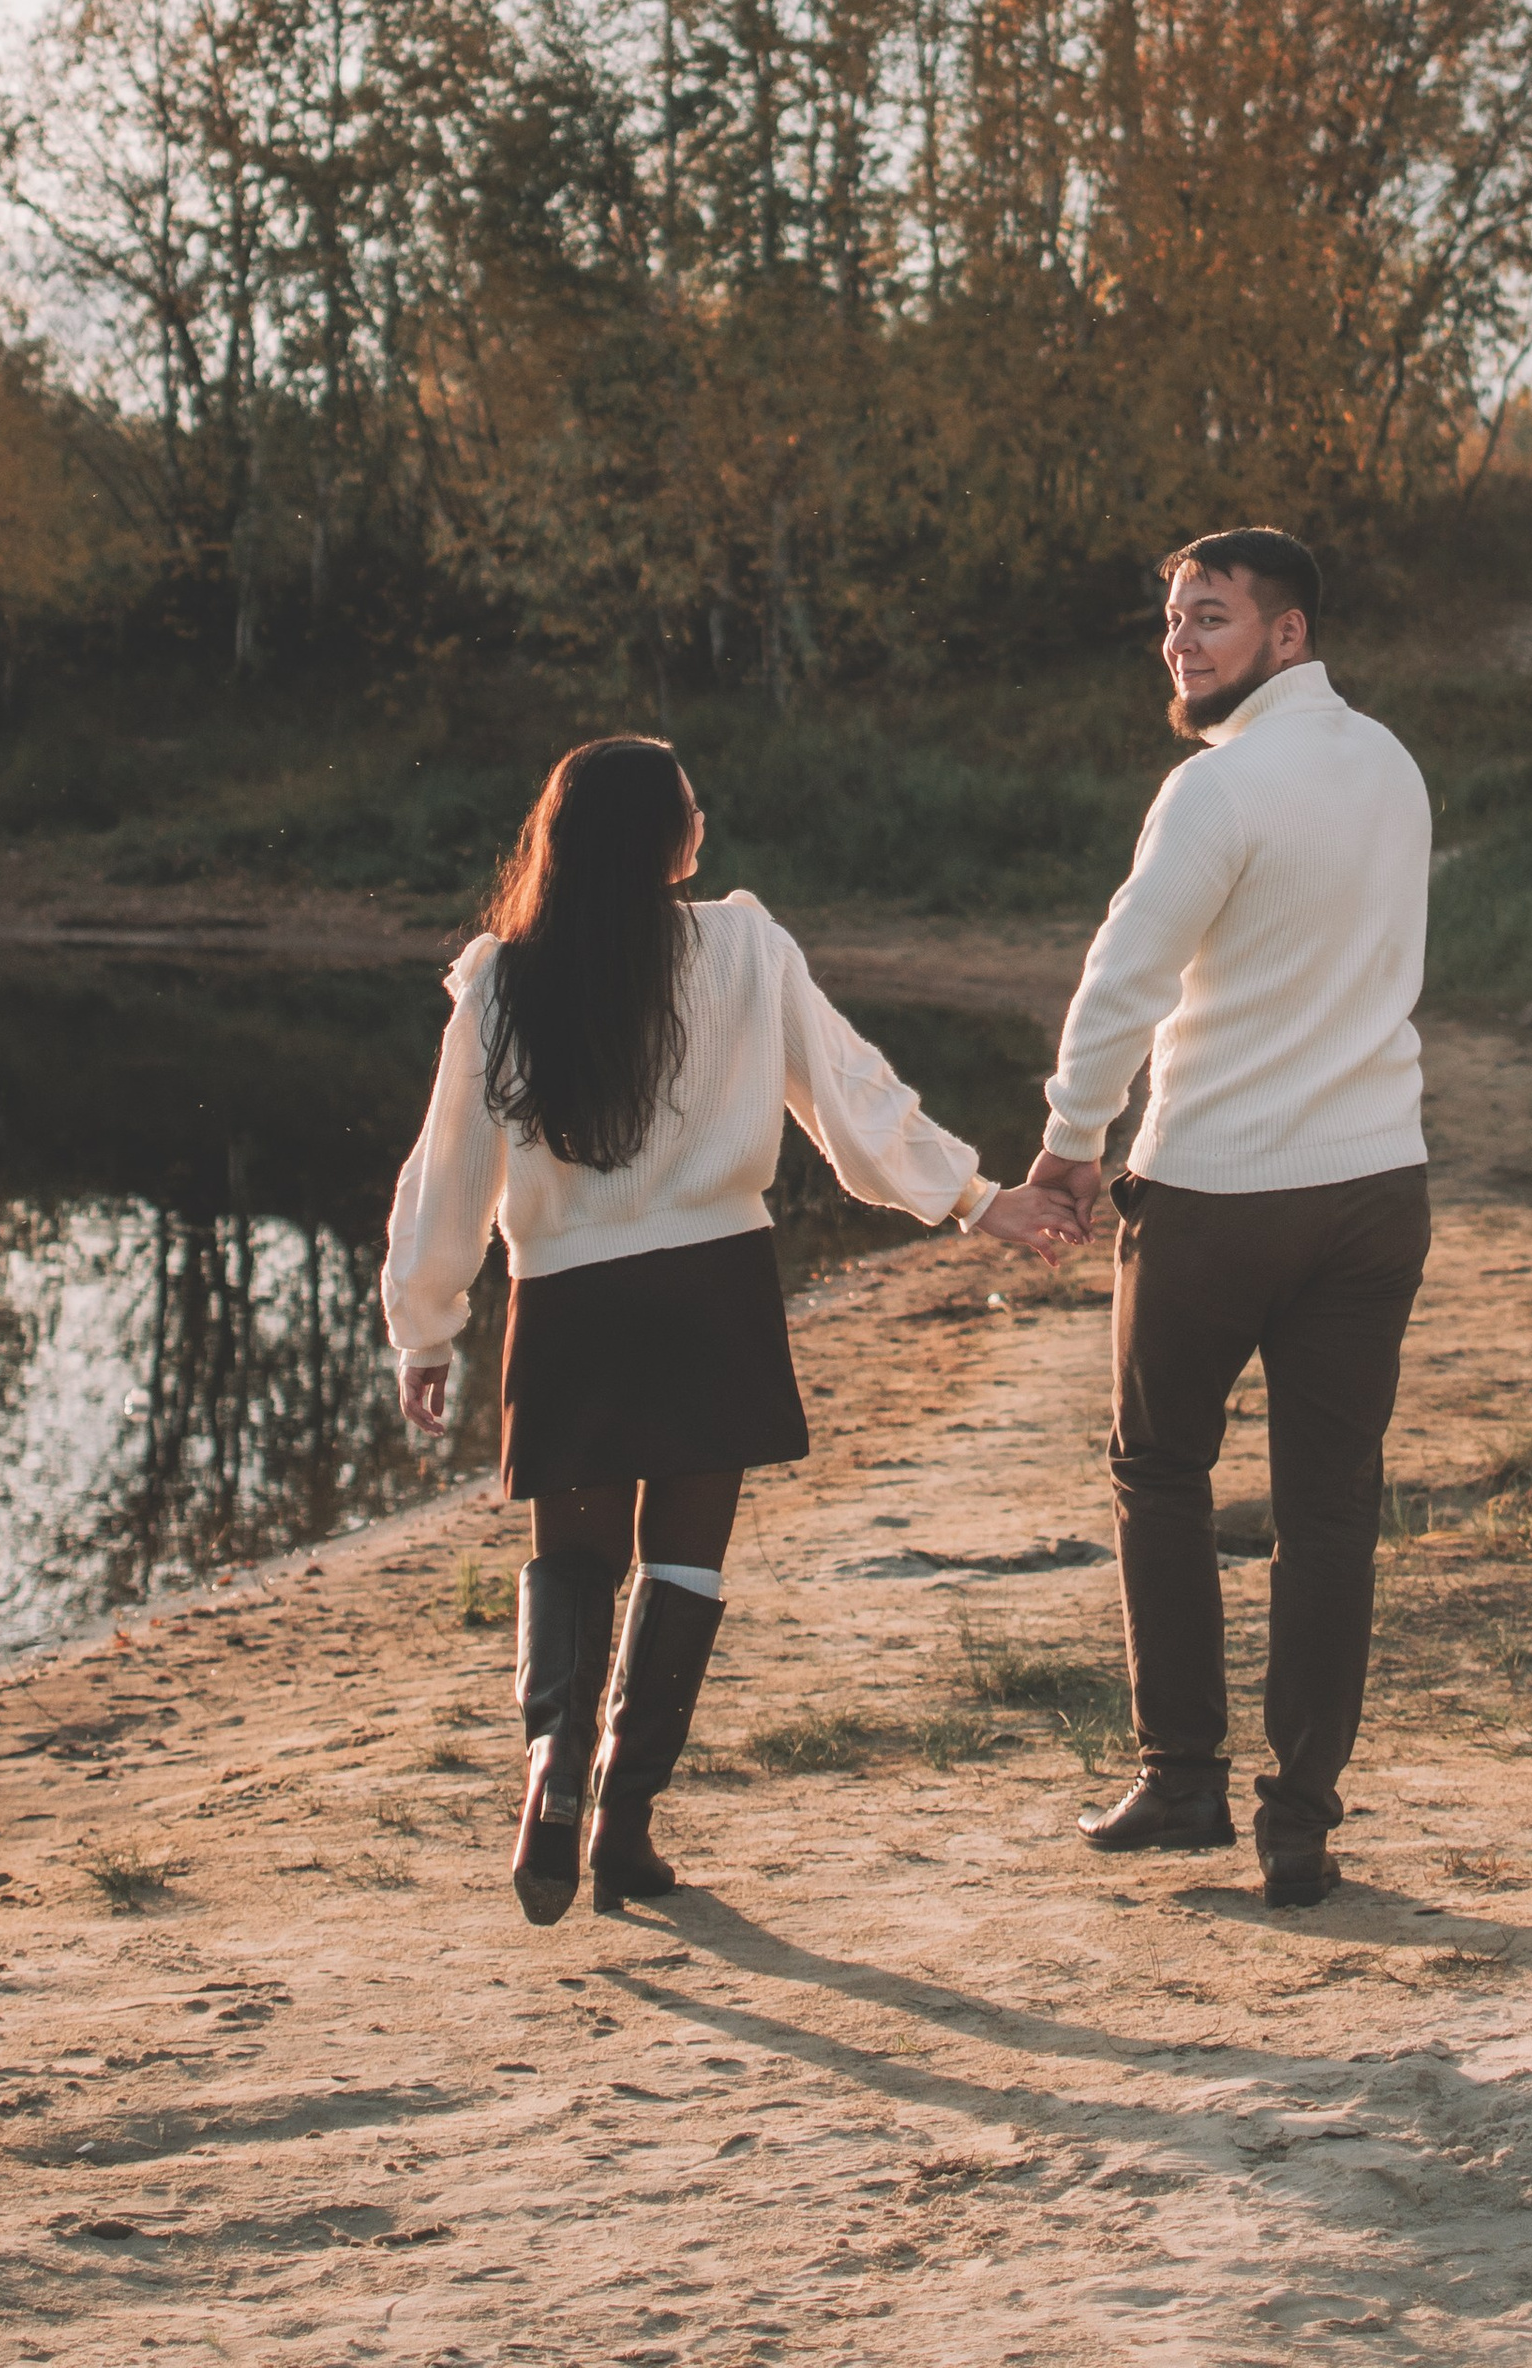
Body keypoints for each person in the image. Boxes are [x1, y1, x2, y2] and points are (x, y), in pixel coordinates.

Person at [385, 734, 1078, 1924]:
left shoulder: (504, 979)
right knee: (685, 1562)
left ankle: (551, 1762)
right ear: (669, 840)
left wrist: (427, 1325)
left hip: (572, 1303)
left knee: (573, 1559)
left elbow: (449, 1171)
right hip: (711, 1290)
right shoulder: (745, 947)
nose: (703, 820)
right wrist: (973, 1199)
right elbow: (850, 1097)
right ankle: (626, 1824)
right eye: (691, 807)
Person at [1026, 530, 1431, 1910]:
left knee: (1160, 1472)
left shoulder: (1217, 787)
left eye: (1211, 618)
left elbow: (1122, 981)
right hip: (1377, 1190)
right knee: (1331, 1514)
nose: (1180, 644)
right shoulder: (1389, 764)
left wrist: (1071, 1145)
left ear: (1289, 634)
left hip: (1215, 1194)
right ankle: (1302, 1821)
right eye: (1171, 620)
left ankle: (1186, 1778)